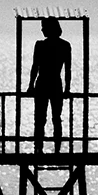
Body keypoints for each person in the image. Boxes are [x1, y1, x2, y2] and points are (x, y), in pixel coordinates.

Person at [27, 18, 70, 150]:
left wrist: (31, 85)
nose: (42, 30)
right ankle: (56, 148)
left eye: (44, 27)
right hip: (55, 83)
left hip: (43, 83)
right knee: (55, 118)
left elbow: (35, 67)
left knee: (41, 119)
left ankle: (39, 148)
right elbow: (67, 69)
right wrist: (67, 89)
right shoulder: (64, 45)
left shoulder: (40, 45)